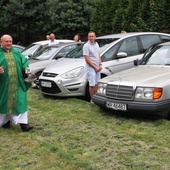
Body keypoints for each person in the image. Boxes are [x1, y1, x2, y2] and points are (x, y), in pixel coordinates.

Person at [0, 34, 33, 132]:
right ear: (1, 42)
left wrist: (26, 69)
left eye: (10, 41)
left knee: (20, 101)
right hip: (3, 86)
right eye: (6, 41)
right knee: (4, 103)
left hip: (18, 84)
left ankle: (24, 124)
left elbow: (24, 63)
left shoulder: (17, 53)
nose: (9, 43)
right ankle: (6, 122)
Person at [83, 31, 102, 102]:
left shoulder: (96, 44)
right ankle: (92, 100)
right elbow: (87, 59)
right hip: (91, 67)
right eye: (89, 36)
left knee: (97, 83)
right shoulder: (86, 46)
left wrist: (100, 64)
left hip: (97, 67)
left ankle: (96, 99)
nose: (91, 38)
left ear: (95, 37)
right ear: (88, 37)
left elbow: (98, 55)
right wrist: (95, 67)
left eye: (92, 36)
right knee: (92, 84)